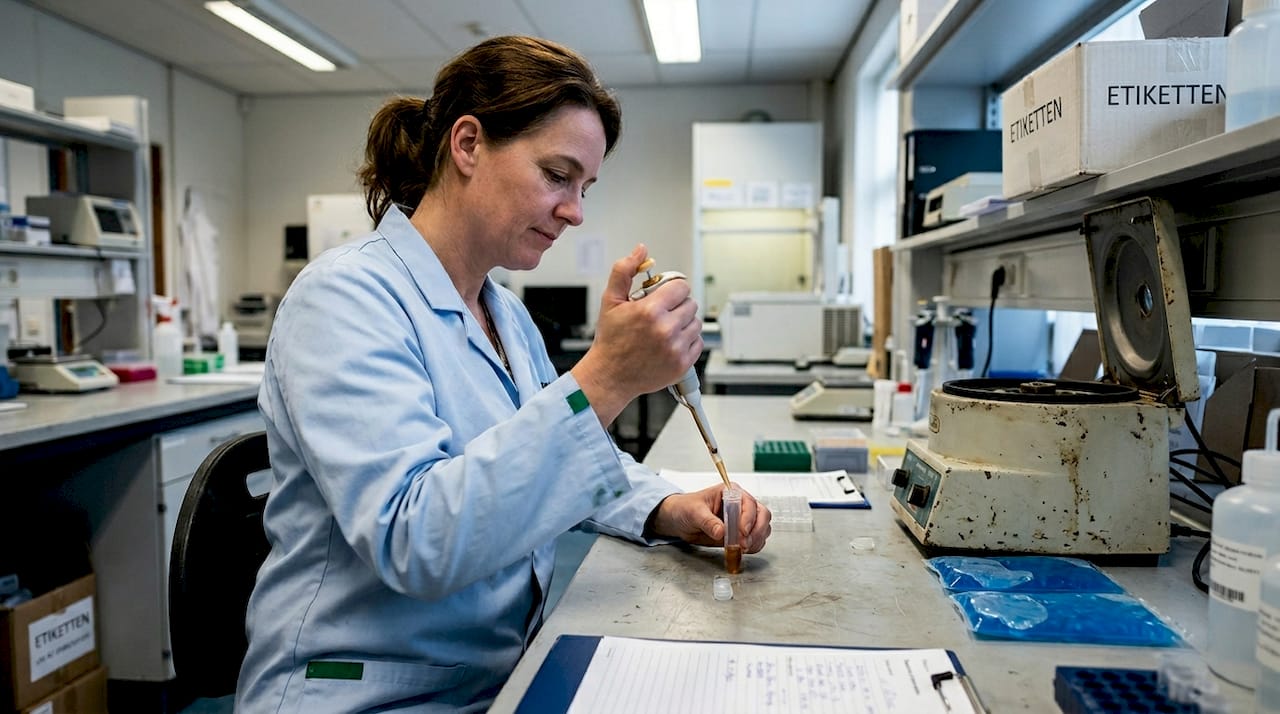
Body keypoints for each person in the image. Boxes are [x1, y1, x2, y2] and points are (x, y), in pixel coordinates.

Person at [236, 35, 772, 712]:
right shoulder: (344, 300)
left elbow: (547, 463)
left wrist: (667, 509)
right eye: (557, 175)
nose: (576, 210)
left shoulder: (505, 316)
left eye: (585, 186)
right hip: (368, 692)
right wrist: (605, 377)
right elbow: (415, 539)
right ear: (467, 145)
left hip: (493, 674)